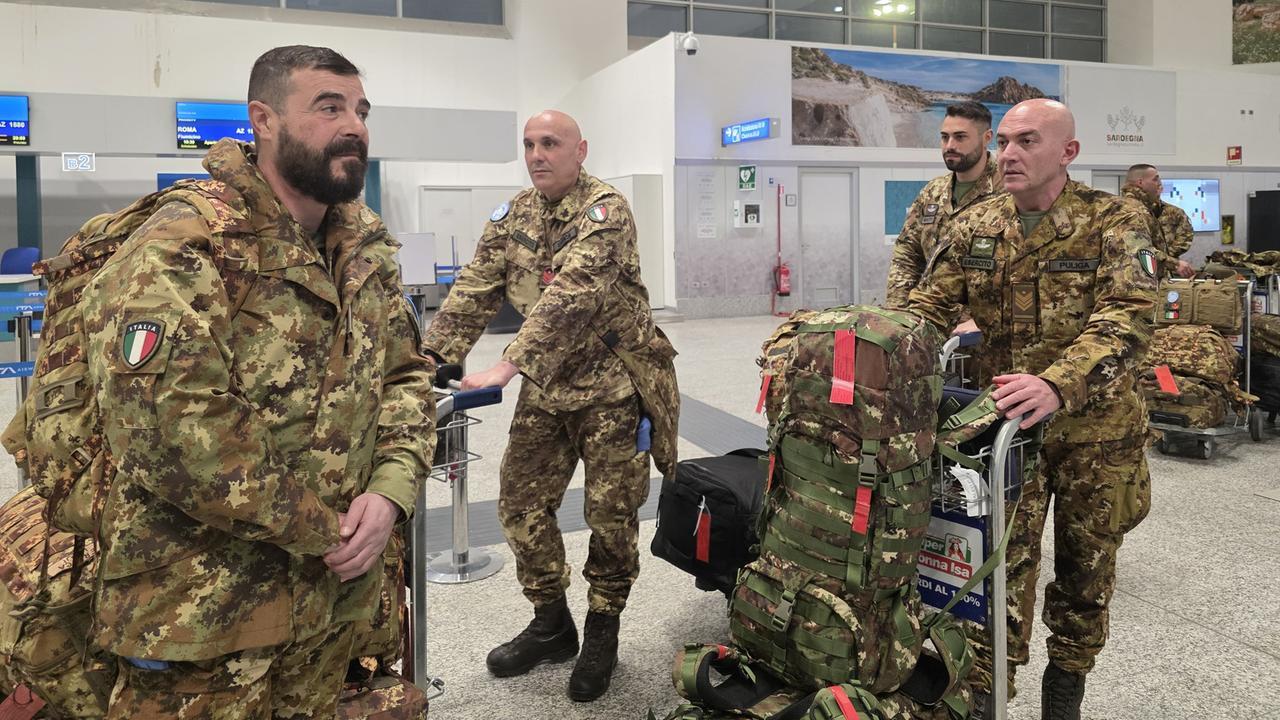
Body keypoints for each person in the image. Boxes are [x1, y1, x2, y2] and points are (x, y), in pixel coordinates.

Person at [81, 45, 436, 718]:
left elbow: (407, 376)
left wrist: (390, 492)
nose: (353, 125)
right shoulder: (185, 243)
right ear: (262, 120)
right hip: (204, 619)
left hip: (336, 604)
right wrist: (328, 530)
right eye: (329, 107)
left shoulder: (363, 247)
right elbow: (170, 433)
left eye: (360, 110)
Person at [903, 99, 1157, 720]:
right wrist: (865, 347)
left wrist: (1057, 382)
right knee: (996, 574)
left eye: (1028, 141)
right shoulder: (977, 224)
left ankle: (1065, 687)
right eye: (1008, 141)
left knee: (1084, 573)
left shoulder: (1115, 221)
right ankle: (988, 693)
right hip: (1007, 439)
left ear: (1067, 152)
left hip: (1095, 435)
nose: (1010, 154)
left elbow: (1128, 317)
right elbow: (927, 307)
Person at [421, 110, 679, 702]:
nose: (538, 154)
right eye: (530, 144)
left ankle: (603, 629)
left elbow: (571, 296)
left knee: (610, 517)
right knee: (518, 507)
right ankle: (552, 622)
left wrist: (506, 364)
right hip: (547, 389)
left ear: (580, 150)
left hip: (611, 389)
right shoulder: (515, 214)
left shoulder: (606, 211)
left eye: (551, 143)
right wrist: (431, 358)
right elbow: (474, 288)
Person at [885, 101, 1003, 335]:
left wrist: (986, 319)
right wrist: (898, 315)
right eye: (944, 137)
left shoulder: (1007, 190)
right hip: (927, 323)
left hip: (981, 332)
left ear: (986, 137)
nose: (950, 146)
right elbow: (907, 255)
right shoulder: (933, 192)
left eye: (960, 137)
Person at [1121, 163, 1196, 278]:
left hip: (1150, 275)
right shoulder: (1132, 210)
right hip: (1134, 279)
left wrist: (1168, 256)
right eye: (1155, 179)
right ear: (1140, 182)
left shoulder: (1143, 208)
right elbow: (1139, 249)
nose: (1159, 184)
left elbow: (1185, 234)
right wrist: (1174, 263)